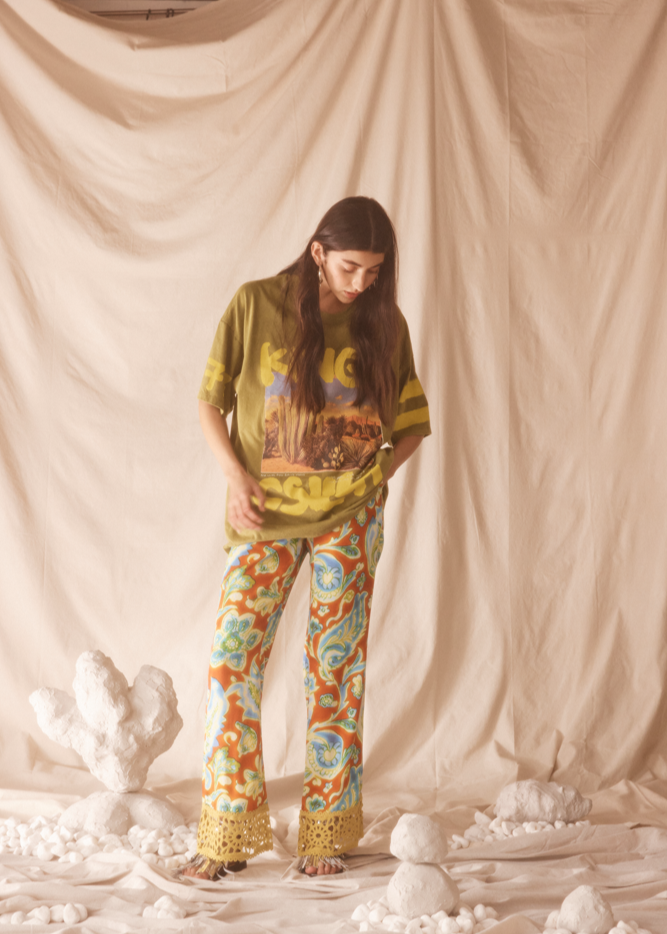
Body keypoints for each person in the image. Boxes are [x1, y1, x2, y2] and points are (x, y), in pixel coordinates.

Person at [183, 197, 431, 880]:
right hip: (265, 513)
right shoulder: (255, 304)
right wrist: (235, 476)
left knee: (335, 670)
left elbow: (411, 422)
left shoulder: (383, 323)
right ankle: (227, 834)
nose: (361, 283)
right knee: (231, 660)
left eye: (374, 271)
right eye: (350, 267)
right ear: (318, 251)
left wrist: (375, 476)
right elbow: (209, 401)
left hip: (349, 517)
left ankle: (326, 833)